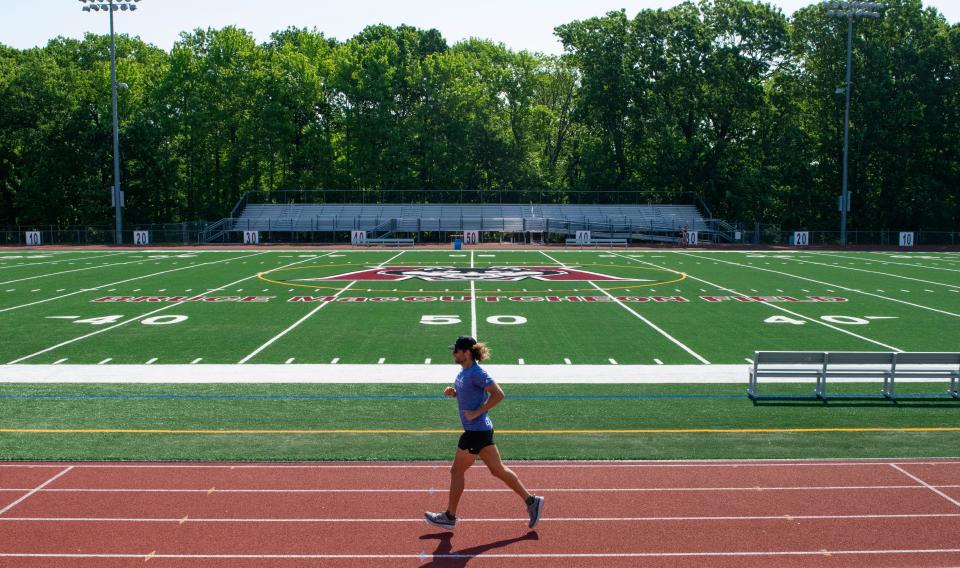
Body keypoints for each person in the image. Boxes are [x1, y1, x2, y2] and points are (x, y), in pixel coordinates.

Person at [424, 336, 544, 531]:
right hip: (482, 430)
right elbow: (471, 393)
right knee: (498, 470)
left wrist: (476, 413)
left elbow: (499, 394)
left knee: (456, 471)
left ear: (466, 352)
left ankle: (449, 516)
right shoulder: (464, 372)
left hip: (476, 431)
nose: (453, 353)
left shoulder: (477, 373)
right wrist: (454, 393)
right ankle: (532, 501)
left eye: (456, 351)